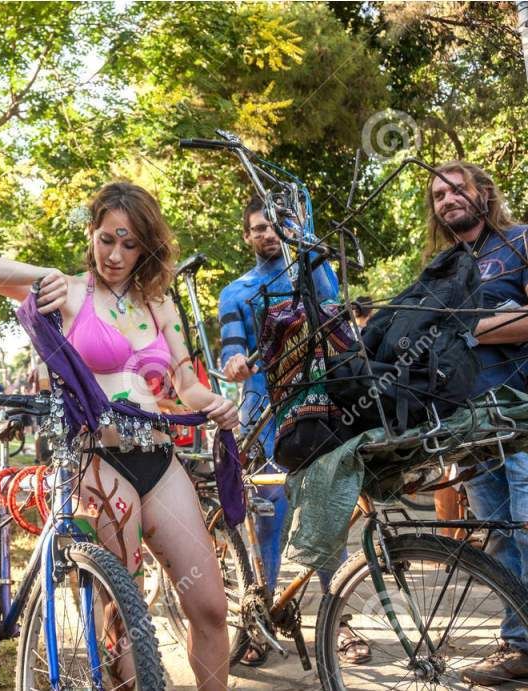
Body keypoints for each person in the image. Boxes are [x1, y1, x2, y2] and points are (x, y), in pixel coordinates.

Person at [0, 181, 239, 690]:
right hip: (96, 459)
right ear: (91, 234)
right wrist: (41, 275)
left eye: (130, 242)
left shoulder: (159, 304)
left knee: (210, 607)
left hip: (158, 458)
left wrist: (217, 404)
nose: (115, 254)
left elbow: (186, 386)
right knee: (127, 615)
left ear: (146, 247)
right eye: (107, 238)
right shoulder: (67, 290)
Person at [421, 161, 528, 684]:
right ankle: (518, 649)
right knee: (502, 541)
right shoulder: (442, 268)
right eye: (438, 195)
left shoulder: (525, 241)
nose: (447, 200)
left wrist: (466, 330)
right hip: (471, 426)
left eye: (456, 189)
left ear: (483, 193)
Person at [217, 196, 369, 665]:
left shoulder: (312, 270)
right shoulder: (235, 292)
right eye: (259, 228)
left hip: (319, 410)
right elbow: (230, 348)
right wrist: (235, 363)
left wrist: (302, 240)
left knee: (326, 509)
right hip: (264, 417)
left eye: (275, 227)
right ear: (246, 236)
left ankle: (338, 622)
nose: (267, 235)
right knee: (270, 518)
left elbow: (332, 308)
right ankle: (257, 621)